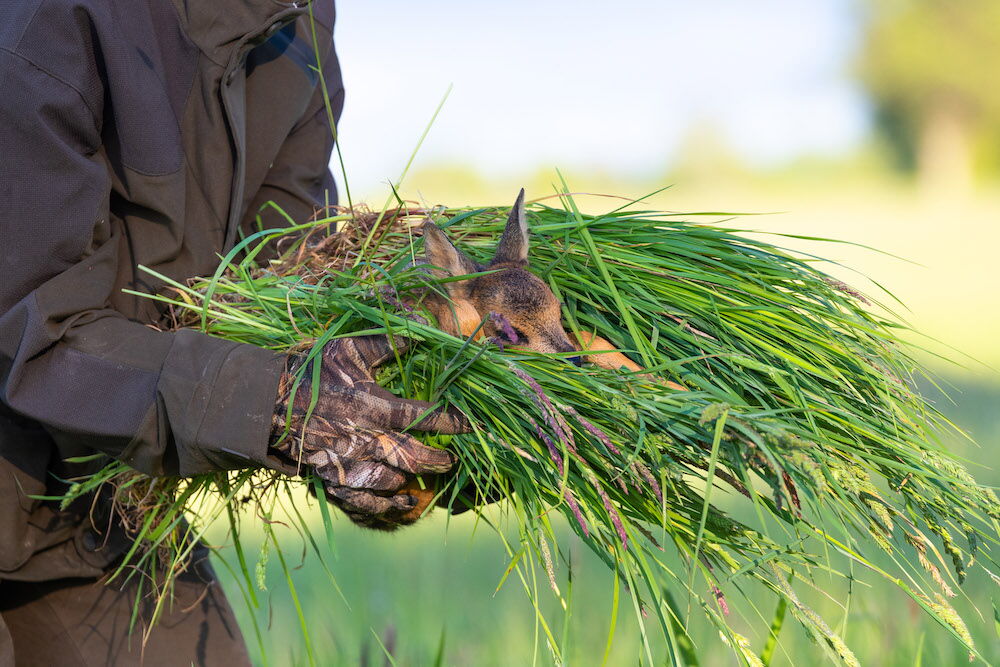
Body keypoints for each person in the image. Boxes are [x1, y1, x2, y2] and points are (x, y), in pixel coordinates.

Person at [0, 0, 468, 664]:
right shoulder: (46, 24)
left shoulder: (299, 21)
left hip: (91, 492)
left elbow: (271, 288)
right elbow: (33, 330)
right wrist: (277, 405)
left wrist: (367, 424)